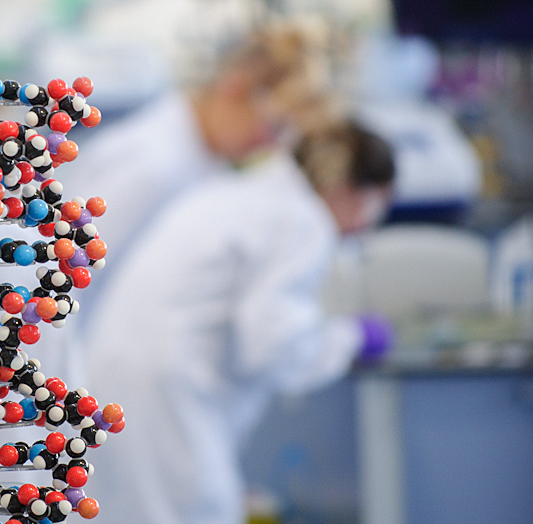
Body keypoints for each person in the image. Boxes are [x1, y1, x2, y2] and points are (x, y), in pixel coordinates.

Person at [54, 22, 395, 524]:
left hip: (139, 389)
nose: (270, 145)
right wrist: (342, 341)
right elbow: (68, 293)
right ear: (236, 89)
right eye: (274, 127)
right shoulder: (154, 163)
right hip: (125, 388)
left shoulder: (205, 166)